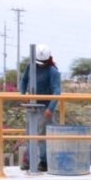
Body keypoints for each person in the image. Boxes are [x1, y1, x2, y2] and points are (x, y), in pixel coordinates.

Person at [19, 43, 61, 172]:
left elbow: (56, 91)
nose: (40, 64)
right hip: (32, 106)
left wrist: (51, 108)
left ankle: (44, 162)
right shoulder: (30, 67)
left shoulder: (53, 71)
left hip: (45, 107)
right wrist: (23, 94)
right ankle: (29, 160)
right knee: (30, 133)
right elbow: (24, 80)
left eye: (43, 62)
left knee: (43, 136)